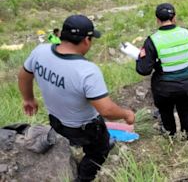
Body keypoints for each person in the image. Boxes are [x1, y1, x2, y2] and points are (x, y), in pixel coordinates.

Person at [18, 15, 135, 182]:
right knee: (99, 149)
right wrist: (126, 114)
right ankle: (83, 178)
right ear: (87, 40)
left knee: (70, 138)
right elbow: (106, 110)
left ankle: (70, 150)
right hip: (84, 128)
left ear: (62, 34)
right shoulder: (87, 71)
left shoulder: (40, 51)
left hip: (56, 121)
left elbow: (23, 76)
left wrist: (28, 99)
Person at [136, 3, 188, 138]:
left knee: (166, 113)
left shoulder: (152, 40)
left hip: (163, 88)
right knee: (186, 113)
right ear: (174, 17)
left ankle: (171, 135)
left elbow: (144, 70)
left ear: (157, 19)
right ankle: (187, 135)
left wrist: (140, 57)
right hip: (187, 86)